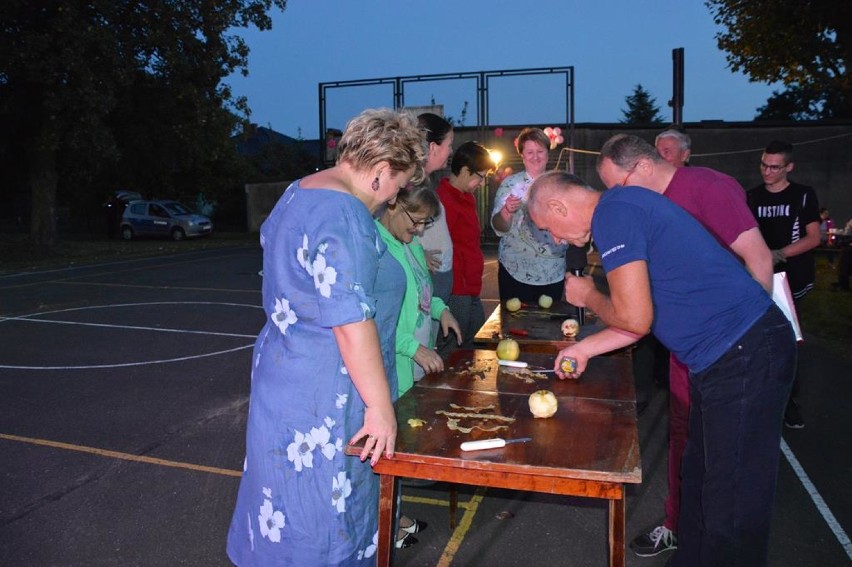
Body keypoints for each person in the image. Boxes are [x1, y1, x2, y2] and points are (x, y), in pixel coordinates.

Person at [527, 170, 796, 567]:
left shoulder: (613, 213)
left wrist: (589, 295)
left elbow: (634, 318)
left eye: (548, 228)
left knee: (732, 504)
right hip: (722, 358)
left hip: (745, 351)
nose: (554, 239)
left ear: (557, 206)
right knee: (701, 481)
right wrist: (585, 348)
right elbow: (645, 318)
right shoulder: (622, 210)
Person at [226, 108, 426, 566]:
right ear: (379, 172)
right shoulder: (344, 213)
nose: (396, 197)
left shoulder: (300, 192)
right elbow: (350, 322)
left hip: (285, 379)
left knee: (284, 499)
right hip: (327, 395)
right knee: (326, 516)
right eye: (400, 184)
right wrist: (379, 409)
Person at [596, 134, 774, 559]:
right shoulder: (639, 206)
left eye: (614, 186)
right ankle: (678, 525)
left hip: (731, 343)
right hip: (690, 347)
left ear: (639, 168)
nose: (611, 198)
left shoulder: (707, 187)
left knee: (730, 474)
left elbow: (760, 260)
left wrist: (743, 338)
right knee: (689, 444)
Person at [376, 184, 461, 548]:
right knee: (389, 450)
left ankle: (397, 518)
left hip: (412, 359)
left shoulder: (407, 243)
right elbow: (376, 319)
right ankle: (388, 525)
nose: (421, 232)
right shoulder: (379, 248)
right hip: (393, 363)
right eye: (418, 222)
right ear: (395, 206)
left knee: (399, 446)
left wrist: (441, 311)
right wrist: (413, 348)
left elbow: (423, 288)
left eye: (427, 224)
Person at [748, 140, 821, 429]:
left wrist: (778, 254)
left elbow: (813, 237)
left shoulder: (803, 195)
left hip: (792, 280)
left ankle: (789, 401)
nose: (767, 171)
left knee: (787, 341)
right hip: (759, 276)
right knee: (756, 340)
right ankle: (759, 397)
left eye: (774, 167)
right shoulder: (752, 197)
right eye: (764, 165)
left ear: (788, 167)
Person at [490, 127, 569, 303]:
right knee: (514, 325)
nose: (535, 157)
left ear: (548, 154)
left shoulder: (562, 184)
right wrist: (506, 212)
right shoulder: (510, 185)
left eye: (540, 151)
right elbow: (498, 226)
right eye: (530, 152)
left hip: (553, 272)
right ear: (522, 155)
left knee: (549, 327)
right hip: (514, 270)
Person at [436, 141, 494, 351]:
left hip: (471, 286)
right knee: (454, 347)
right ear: (465, 170)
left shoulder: (466, 198)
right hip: (456, 289)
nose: (482, 182)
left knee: (476, 341)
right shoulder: (443, 201)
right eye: (480, 176)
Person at [416, 113, 455, 303]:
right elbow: (391, 227)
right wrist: (418, 253)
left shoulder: (425, 181)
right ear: (433, 147)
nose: (450, 151)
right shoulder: (410, 184)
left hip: (437, 277)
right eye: (448, 145)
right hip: (426, 276)